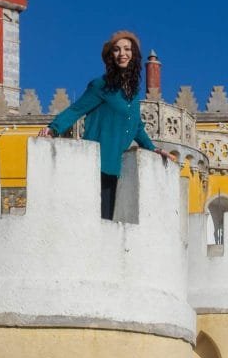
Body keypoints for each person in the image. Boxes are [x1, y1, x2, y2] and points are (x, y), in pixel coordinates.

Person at [39, 31, 174, 219]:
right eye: (116, 50)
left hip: (116, 168)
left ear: (134, 55)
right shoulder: (101, 85)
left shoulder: (133, 93)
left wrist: (154, 149)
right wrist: (53, 129)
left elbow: (136, 127)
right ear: (110, 56)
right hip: (96, 165)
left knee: (110, 225)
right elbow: (77, 109)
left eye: (127, 49)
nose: (122, 54)